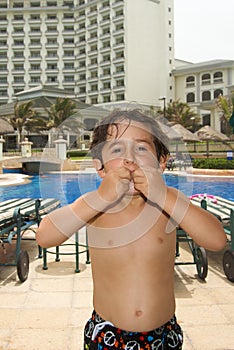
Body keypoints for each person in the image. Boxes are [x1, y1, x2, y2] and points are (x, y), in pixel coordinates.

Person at [36, 109, 226, 349]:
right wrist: (101, 198)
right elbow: (44, 236)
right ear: (101, 167)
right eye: (117, 149)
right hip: (107, 334)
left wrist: (163, 195)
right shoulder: (94, 205)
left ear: (162, 162)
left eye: (142, 148)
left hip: (163, 335)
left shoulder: (169, 202)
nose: (130, 158)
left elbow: (217, 240)